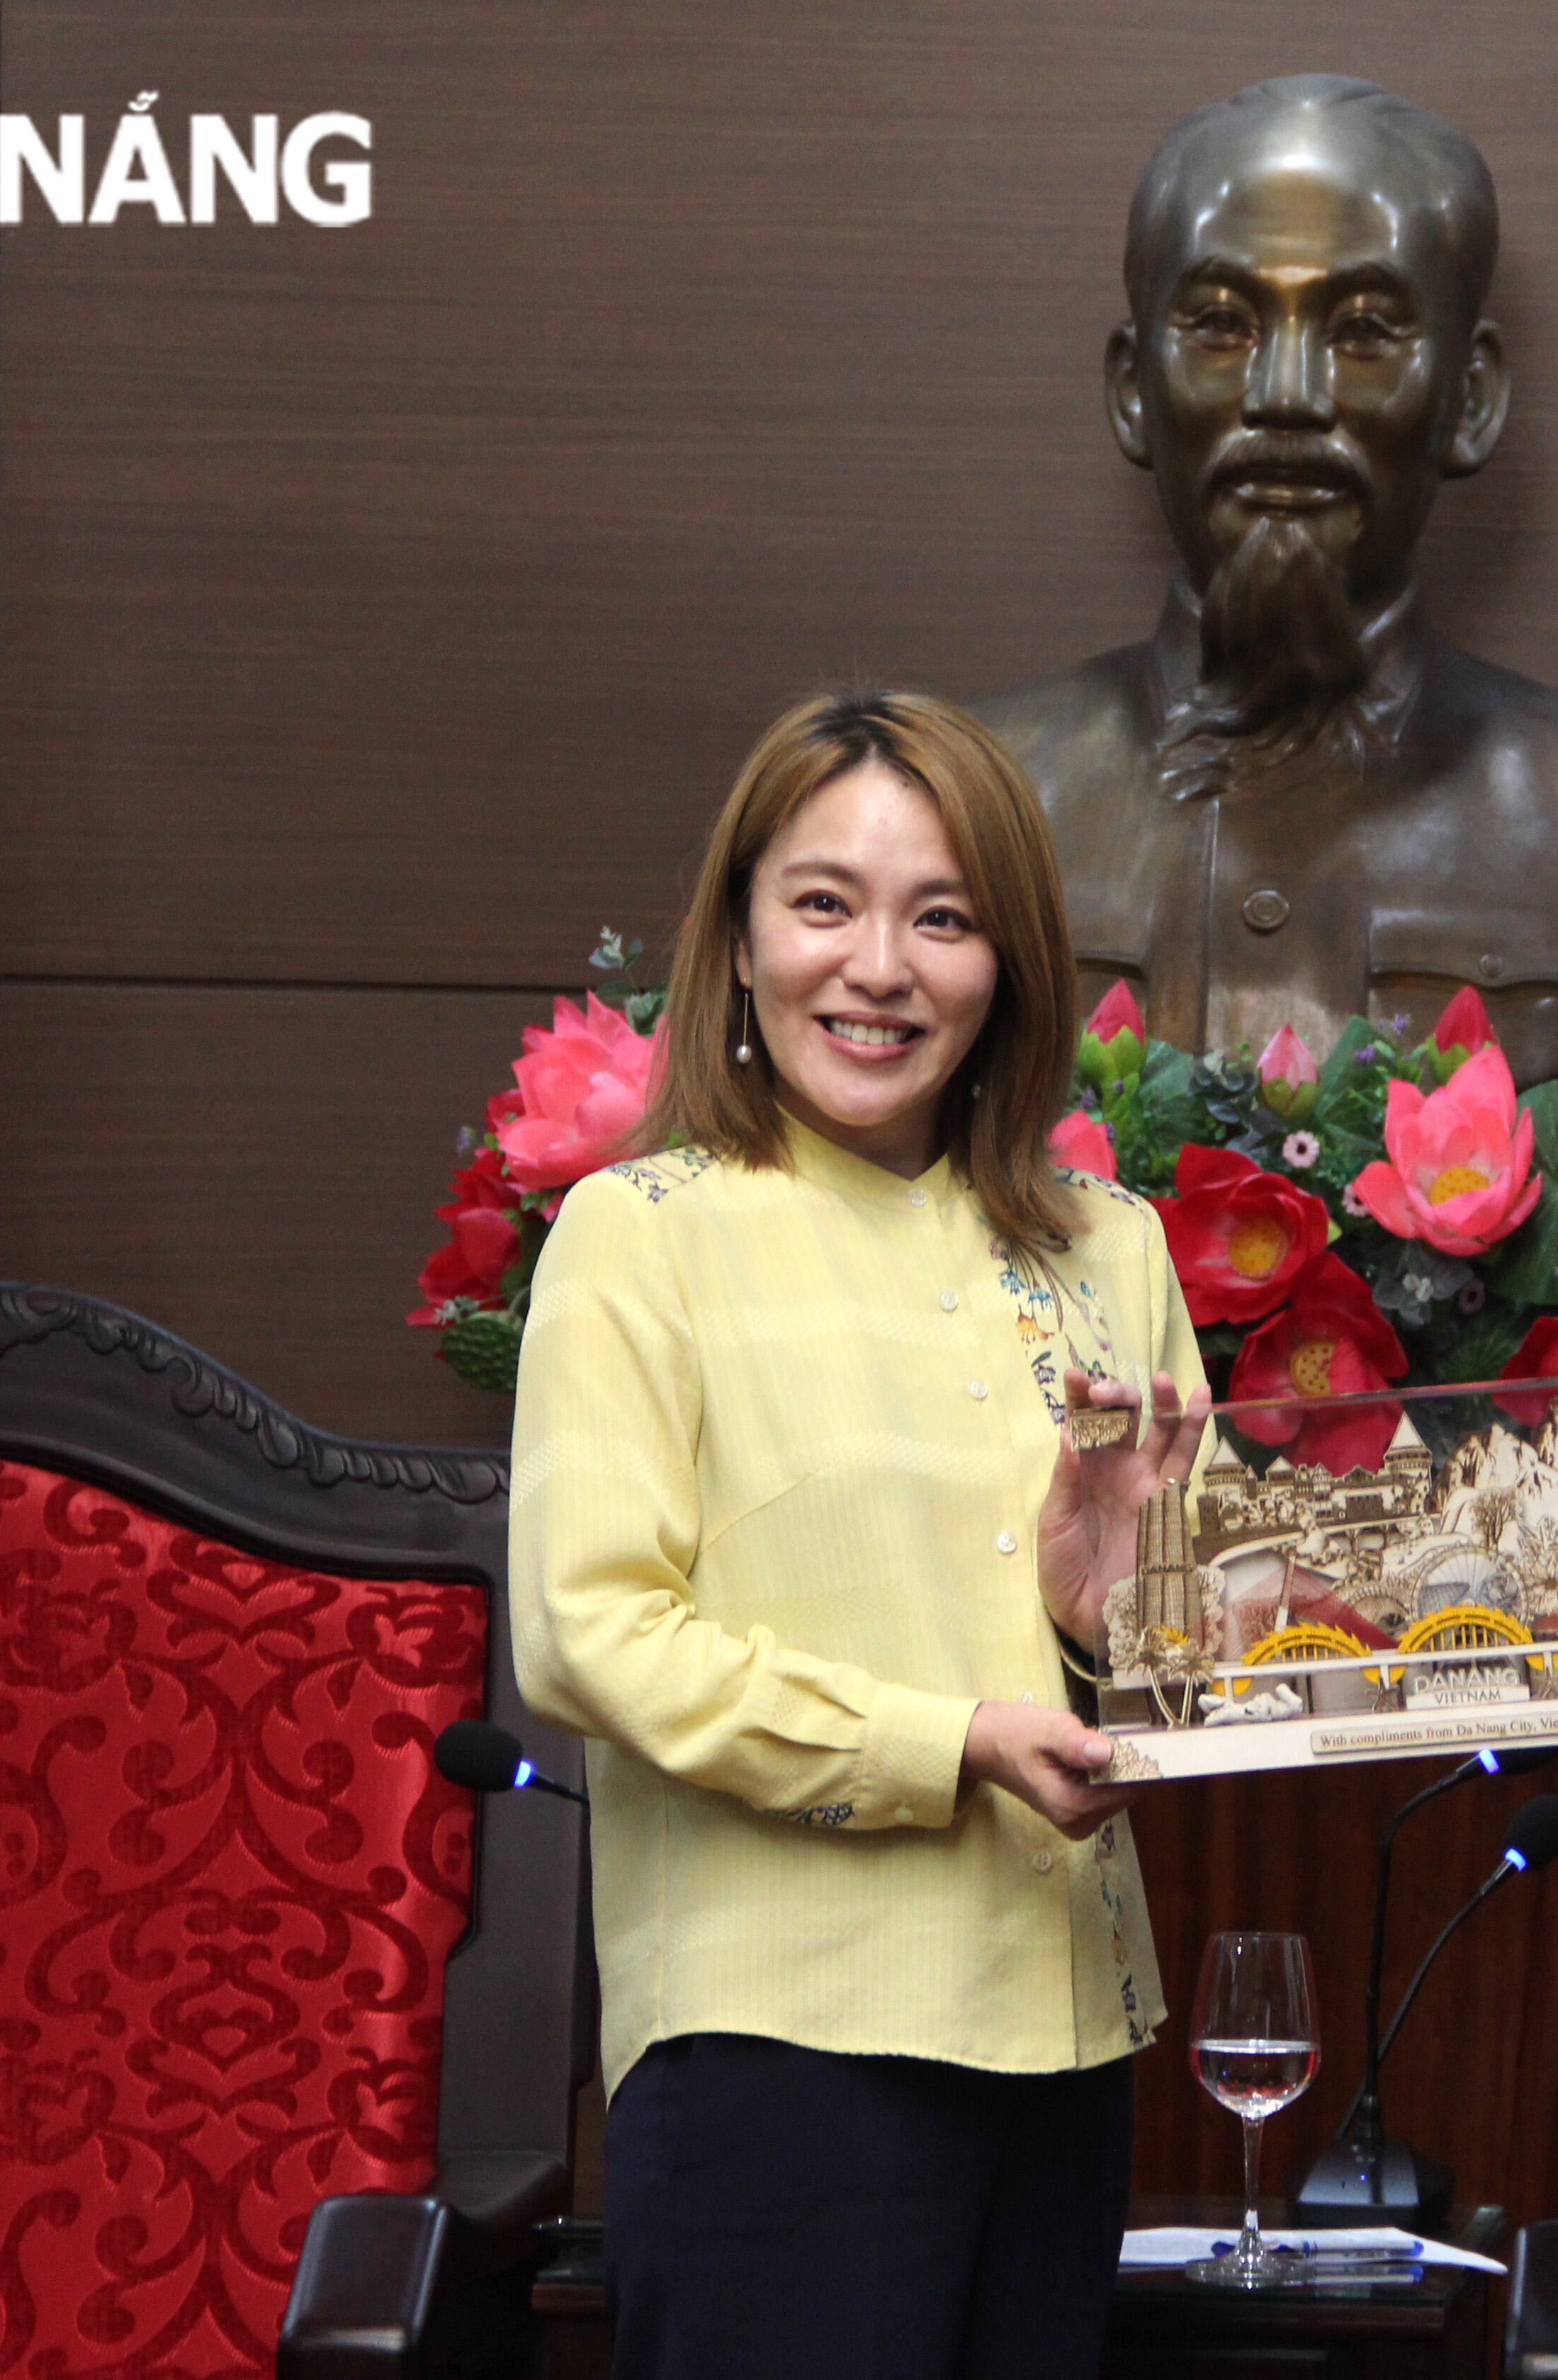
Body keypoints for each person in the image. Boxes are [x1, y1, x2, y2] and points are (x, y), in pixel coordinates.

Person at [510, 690, 1212, 2380]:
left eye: (945, 917)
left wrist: (1110, 1629)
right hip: (780, 2042)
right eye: (824, 904)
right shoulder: (640, 1237)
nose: (880, 967)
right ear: (741, 942)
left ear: (1011, 966)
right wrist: (948, 1741)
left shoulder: (1110, 1248)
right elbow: (588, 1633)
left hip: (1061, 2032)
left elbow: (1185, 1667)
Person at [970, 74, 1558, 1077]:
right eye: (1223, 325)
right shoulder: (961, 804)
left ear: (1472, 399)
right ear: (1133, 390)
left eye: (1363, 331)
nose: (1286, 397)